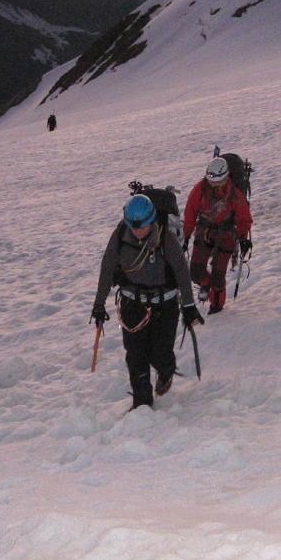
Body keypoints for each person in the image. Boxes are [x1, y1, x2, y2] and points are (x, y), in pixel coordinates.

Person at [91, 193, 203, 408]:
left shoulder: (165, 238)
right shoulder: (120, 235)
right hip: (133, 304)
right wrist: (98, 304)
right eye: (133, 226)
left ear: (151, 220)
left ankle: (165, 370)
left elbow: (181, 272)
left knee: (160, 353)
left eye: (141, 226)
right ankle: (142, 405)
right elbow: (107, 268)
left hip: (165, 305)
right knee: (135, 356)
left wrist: (189, 306)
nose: (137, 231)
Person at [182, 157, 253, 314]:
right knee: (195, 271)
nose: (213, 184)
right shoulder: (199, 190)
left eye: (217, 181)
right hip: (204, 233)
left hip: (226, 235)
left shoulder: (234, 194)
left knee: (218, 275)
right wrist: (186, 236)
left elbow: (243, 218)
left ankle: (217, 306)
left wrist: (242, 238)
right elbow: (190, 214)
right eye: (211, 180)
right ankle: (205, 284)